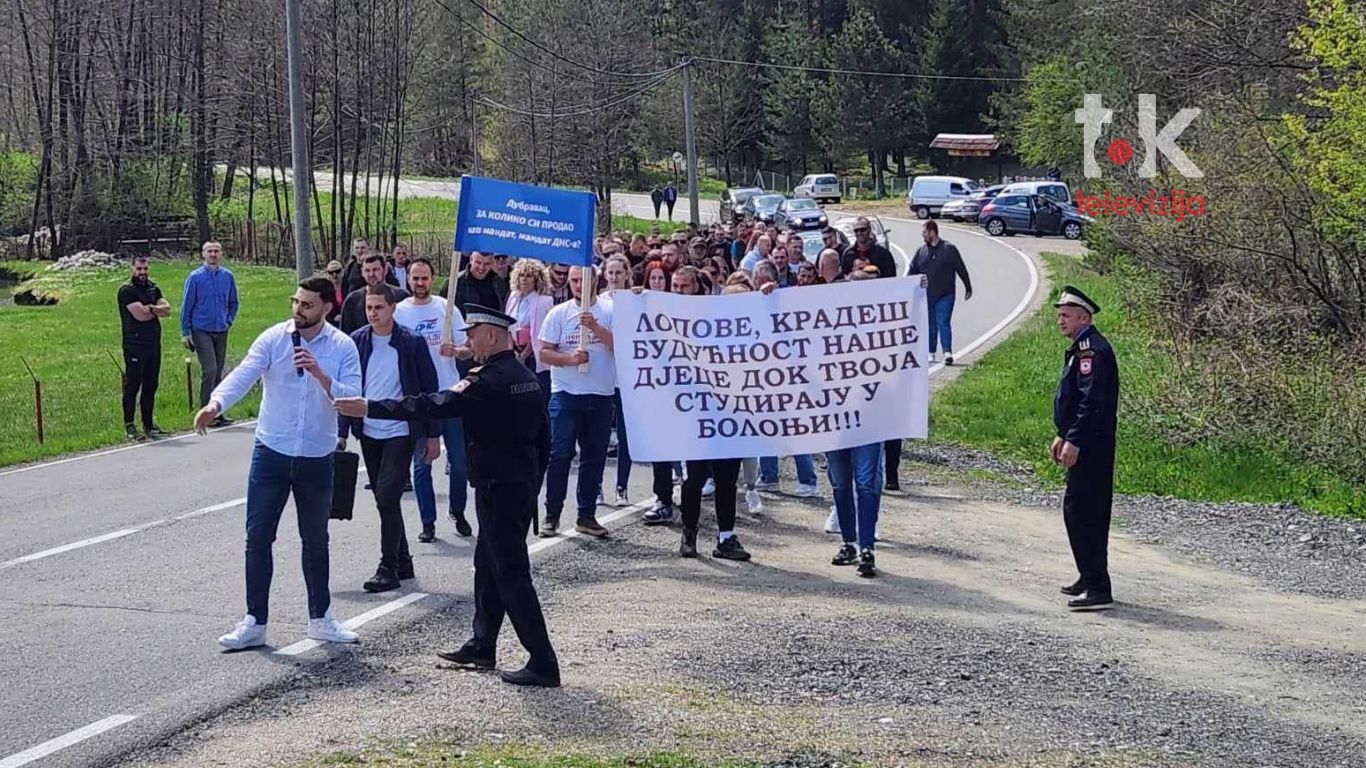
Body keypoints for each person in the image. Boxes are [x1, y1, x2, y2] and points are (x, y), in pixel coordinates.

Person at [337, 304, 560, 687]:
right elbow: (544, 438)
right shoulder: (524, 376)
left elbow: (433, 403)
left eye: (472, 334)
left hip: (498, 488)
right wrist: (533, 484)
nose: (468, 341)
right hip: (517, 485)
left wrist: (370, 406)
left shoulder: (487, 381)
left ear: (491, 335)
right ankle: (483, 644)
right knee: (488, 568)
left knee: (510, 575)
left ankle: (542, 660)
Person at [196, 274, 361, 650]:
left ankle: (321, 618)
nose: (298, 310)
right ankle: (255, 622)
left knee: (315, 539)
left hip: (317, 455)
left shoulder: (342, 346)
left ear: (327, 307)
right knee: (258, 537)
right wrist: (216, 403)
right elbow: (244, 374)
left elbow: (353, 396)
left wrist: (321, 373)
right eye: (296, 302)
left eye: (307, 305)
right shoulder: (274, 338)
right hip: (271, 450)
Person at [338, 283, 439, 593]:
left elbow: (429, 389)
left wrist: (433, 436)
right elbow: (348, 390)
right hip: (368, 430)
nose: (373, 313)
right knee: (386, 499)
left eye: (379, 307)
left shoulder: (411, 343)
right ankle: (404, 560)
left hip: (400, 429)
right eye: (369, 308)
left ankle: (388, 568)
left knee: (386, 496)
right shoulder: (357, 342)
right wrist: (342, 433)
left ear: (393, 308)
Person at [676, 278, 759, 562]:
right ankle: (689, 532)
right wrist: (641, 300)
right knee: (695, 479)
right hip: (700, 416)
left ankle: (726, 537)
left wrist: (770, 298)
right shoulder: (702, 331)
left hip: (732, 417)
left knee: (727, 479)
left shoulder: (753, 333)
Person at [394, 258, 474, 542]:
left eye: (424, 278)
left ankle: (458, 510)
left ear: (431, 278)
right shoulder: (400, 313)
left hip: (449, 393)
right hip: (420, 399)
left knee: (459, 461)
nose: (419, 283)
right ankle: (428, 521)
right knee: (421, 462)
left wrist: (457, 351)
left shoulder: (445, 307)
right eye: (415, 278)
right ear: (408, 280)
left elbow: (469, 346)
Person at [1051, 285, 1119, 612]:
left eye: (1065, 316)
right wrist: (1062, 433)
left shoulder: (1091, 350)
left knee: (1084, 512)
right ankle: (1087, 574)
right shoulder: (1081, 348)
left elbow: (1092, 403)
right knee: (1079, 511)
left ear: (1083, 317)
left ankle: (1097, 586)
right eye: (1059, 315)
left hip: (1092, 446)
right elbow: (1074, 398)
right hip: (1082, 440)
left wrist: (1074, 439)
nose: (1060, 321)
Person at [538, 265, 614, 539]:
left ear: (595, 280)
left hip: (601, 394)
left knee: (593, 458)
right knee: (559, 455)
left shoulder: (609, 310)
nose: (578, 285)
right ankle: (552, 514)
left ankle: (586, 515)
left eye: (583, 280)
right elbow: (544, 353)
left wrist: (595, 326)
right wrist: (570, 360)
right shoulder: (558, 313)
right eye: (573, 281)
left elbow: (621, 345)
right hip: (566, 394)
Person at [181, 241, 239, 423]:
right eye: (209, 251)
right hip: (201, 329)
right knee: (210, 369)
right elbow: (186, 306)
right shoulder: (195, 277)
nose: (213, 254)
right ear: (203, 254)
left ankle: (217, 412)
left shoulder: (227, 276)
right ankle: (204, 411)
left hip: (221, 329)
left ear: (221, 254)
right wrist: (185, 332)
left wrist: (228, 320)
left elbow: (234, 302)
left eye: (216, 251)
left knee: (219, 371)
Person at [118, 256, 171, 441]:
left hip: (153, 343)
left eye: (145, 269)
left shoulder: (153, 288)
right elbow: (139, 315)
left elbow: (167, 309)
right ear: (132, 269)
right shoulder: (126, 291)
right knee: (133, 385)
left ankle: (149, 425)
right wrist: (154, 309)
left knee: (151, 384)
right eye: (139, 269)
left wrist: (149, 308)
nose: (143, 272)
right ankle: (130, 426)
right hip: (134, 344)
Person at [908, 220, 973, 365]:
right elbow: (912, 271)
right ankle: (931, 352)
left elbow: (961, 268)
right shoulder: (921, 251)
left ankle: (947, 352)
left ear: (932, 232)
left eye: (924, 232)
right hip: (927, 295)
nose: (922, 235)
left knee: (943, 321)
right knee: (931, 324)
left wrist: (968, 287)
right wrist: (904, 288)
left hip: (946, 294)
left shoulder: (949, 249)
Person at [505, 258, 555, 403]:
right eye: (521, 275)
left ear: (537, 279)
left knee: (538, 396)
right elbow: (508, 326)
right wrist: (510, 352)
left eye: (529, 276)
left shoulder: (544, 301)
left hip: (534, 355)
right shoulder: (513, 297)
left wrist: (524, 354)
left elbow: (540, 333)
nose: (524, 279)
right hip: (514, 350)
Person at [341, 254, 409, 335]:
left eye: (375, 270)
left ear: (385, 269)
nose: (371, 274)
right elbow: (345, 335)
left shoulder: (402, 297)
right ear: (362, 272)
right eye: (367, 270)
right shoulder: (352, 300)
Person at [448, 251, 510, 319]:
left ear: (492, 263)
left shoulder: (499, 283)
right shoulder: (455, 282)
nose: (481, 267)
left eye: (487, 264)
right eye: (478, 262)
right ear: (471, 259)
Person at [324, 260, 345, 325]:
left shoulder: (348, 286)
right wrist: (333, 318)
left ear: (342, 272)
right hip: (331, 323)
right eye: (331, 272)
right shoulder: (325, 289)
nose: (334, 274)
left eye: (337, 271)